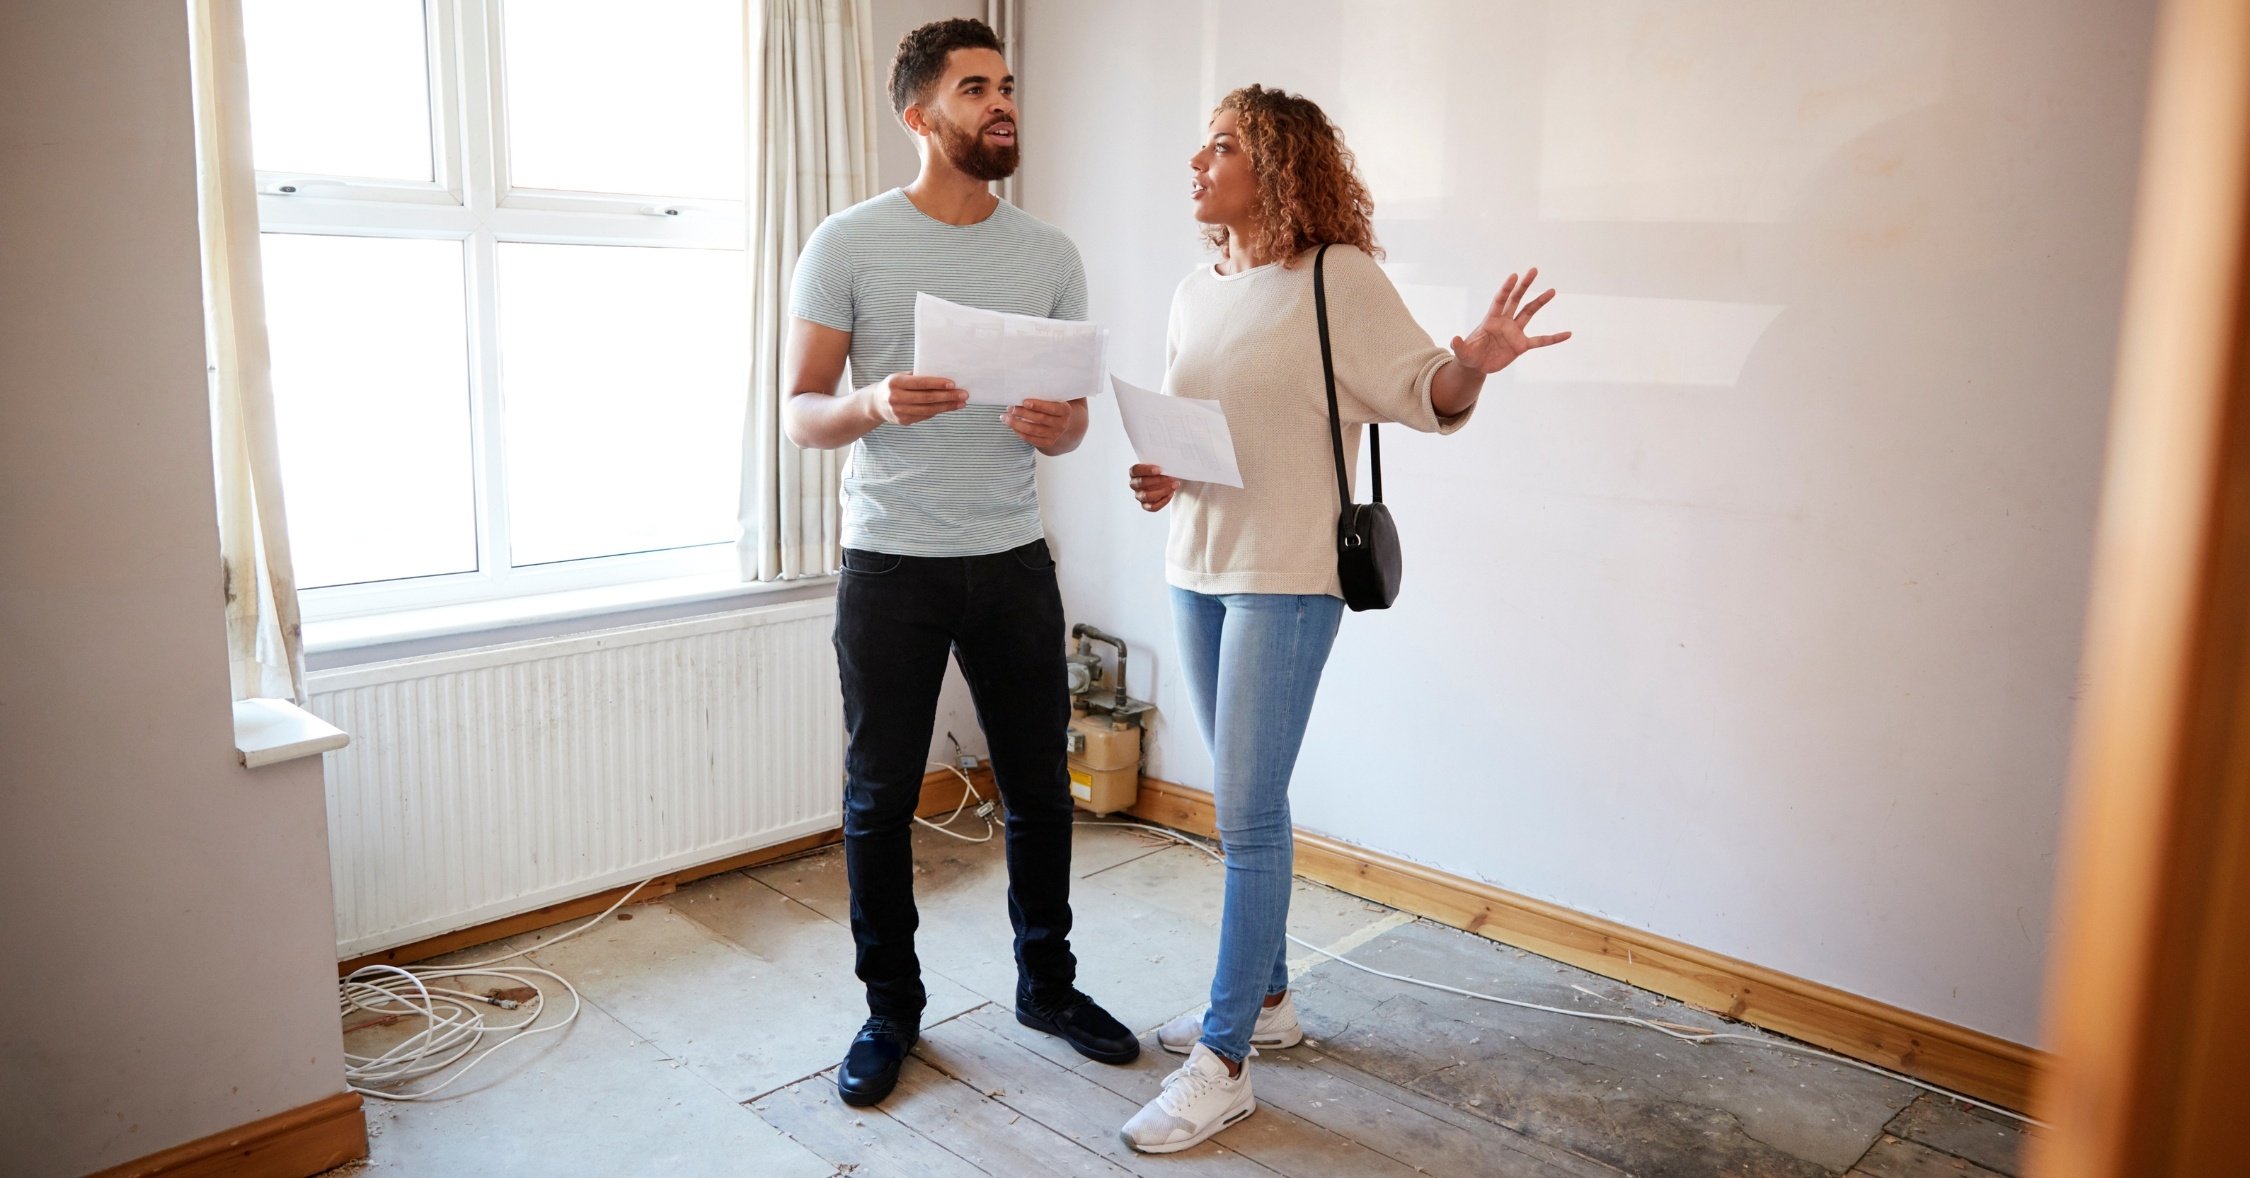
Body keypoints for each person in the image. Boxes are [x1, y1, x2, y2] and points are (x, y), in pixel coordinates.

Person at [1117, 84, 1573, 1153]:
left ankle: (1224, 1059)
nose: (1198, 161)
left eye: (1223, 146)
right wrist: (1161, 476)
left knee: (1247, 811)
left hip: (1288, 575)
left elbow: (1427, 390)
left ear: (1276, 168)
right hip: (1196, 563)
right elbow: (1213, 434)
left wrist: (1476, 361)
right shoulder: (1195, 291)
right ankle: (1270, 1001)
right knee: (1244, 799)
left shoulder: (1337, 278)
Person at [781, 17, 1137, 1109]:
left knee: (1040, 788)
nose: (1002, 104)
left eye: (1007, 85)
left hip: (1015, 557)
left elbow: (1075, 421)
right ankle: (891, 1009)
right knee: (879, 798)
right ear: (919, 116)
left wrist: (1055, 428)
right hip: (891, 564)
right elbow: (801, 413)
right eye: (976, 88)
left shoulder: (1050, 255)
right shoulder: (846, 242)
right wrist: (875, 401)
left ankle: (1048, 984)